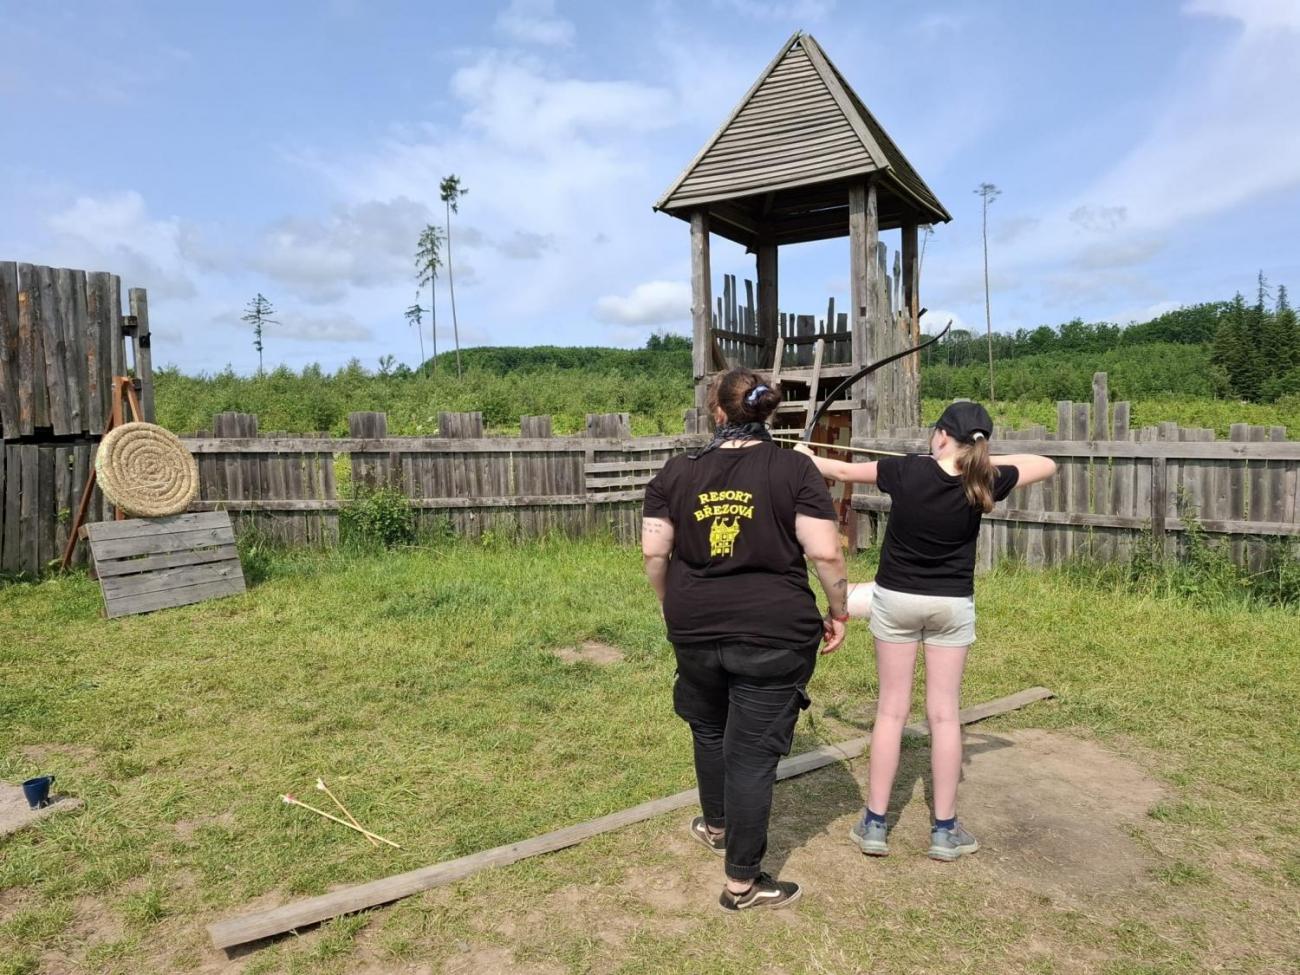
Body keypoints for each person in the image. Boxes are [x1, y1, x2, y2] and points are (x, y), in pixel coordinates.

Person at [797, 401, 1056, 861]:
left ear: (939, 435)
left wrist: (804, 455)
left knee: (891, 713)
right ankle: (944, 830)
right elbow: (1047, 464)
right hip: (951, 605)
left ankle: (875, 825)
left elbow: (838, 469)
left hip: (896, 601)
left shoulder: (907, 471)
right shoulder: (985, 478)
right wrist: (974, 463)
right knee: (944, 716)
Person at [642, 367, 849, 912]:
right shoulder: (792, 468)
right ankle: (743, 882)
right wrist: (839, 609)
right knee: (751, 755)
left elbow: (654, 553)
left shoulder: (676, 472)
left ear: (717, 411)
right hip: (773, 632)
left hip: (695, 626)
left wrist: (673, 607)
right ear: (769, 413)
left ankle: (717, 827)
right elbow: (825, 553)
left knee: (710, 728)